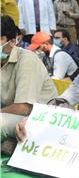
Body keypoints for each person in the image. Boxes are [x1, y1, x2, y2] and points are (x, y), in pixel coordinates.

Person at [1, 16, 57, 154]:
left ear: (13, 41)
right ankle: (9, 144)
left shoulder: (27, 59)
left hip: (41, 119)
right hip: (16, 118)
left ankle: (10, 144)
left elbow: (23, 107)